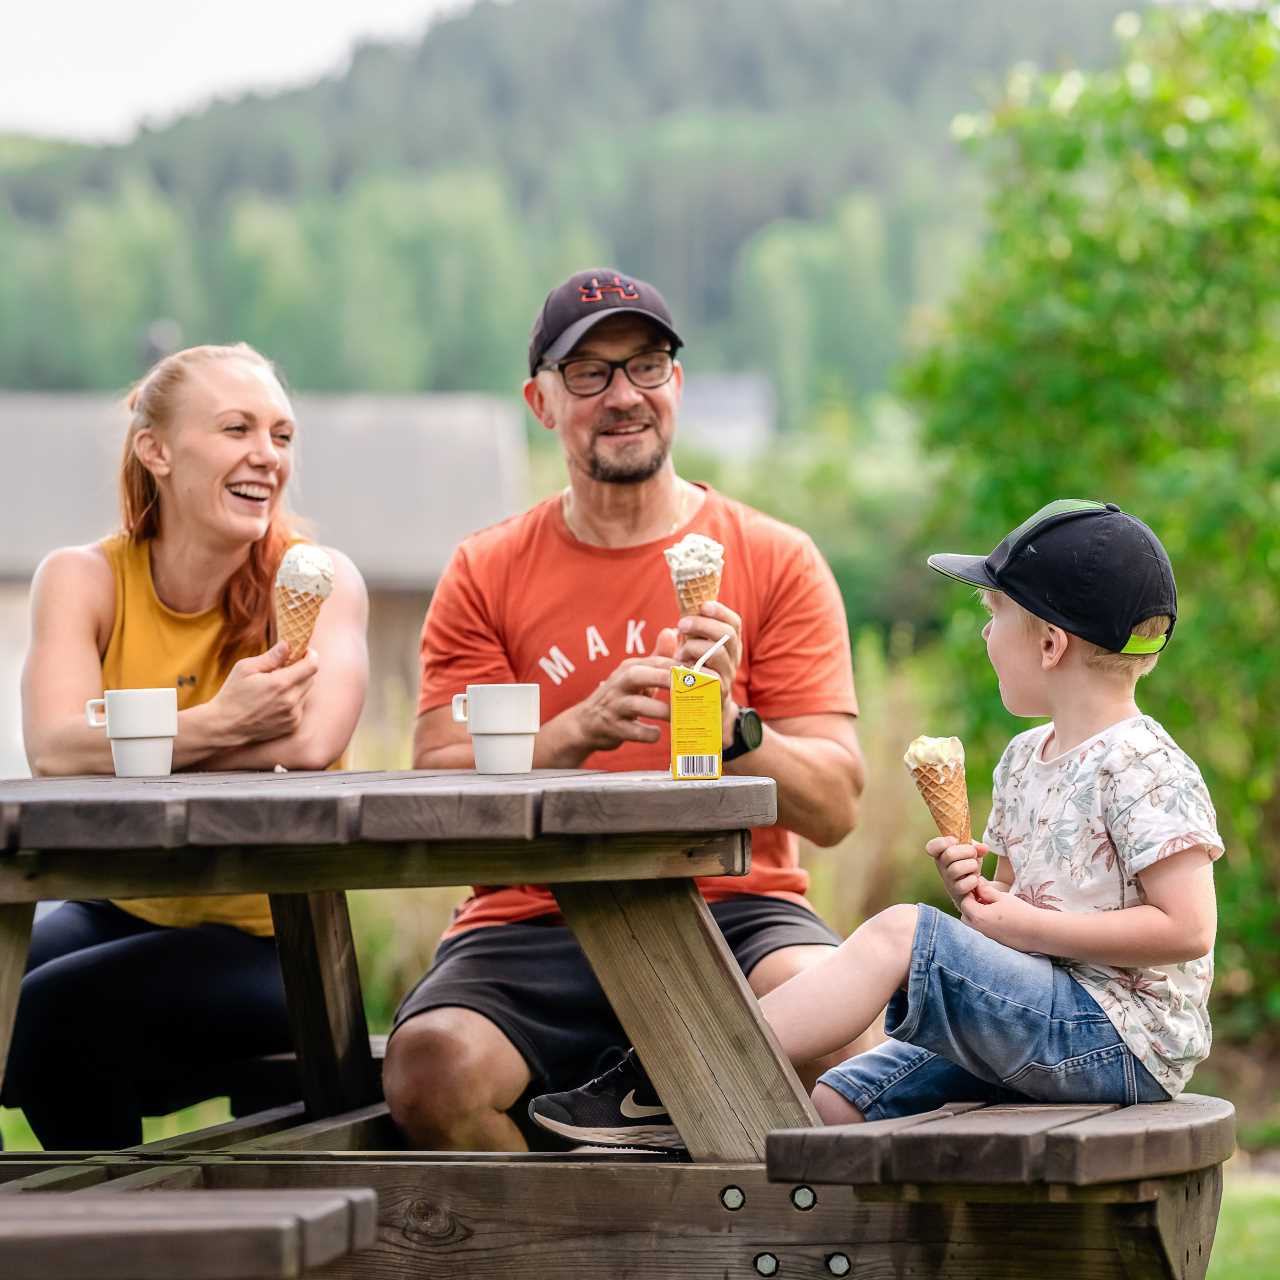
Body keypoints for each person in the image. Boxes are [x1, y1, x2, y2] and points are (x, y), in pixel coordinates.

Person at [531, 499, 1221, 1145]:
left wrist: (1018, 925)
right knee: (837, 1101)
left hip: (1123, 1044)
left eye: (995, 611)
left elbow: (1188, 929)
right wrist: (982, 898)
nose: (984, 629)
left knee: (900, 931)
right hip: (1045, 1017)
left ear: (1048, 645)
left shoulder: (1143, 765)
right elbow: (1020, 919)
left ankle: (671, 1073)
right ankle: (717, 1161)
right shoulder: (1022, 760)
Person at [383, 269, 868, 1151]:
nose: (623, 396)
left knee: (844, 1035)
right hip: (534, 916)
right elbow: (435, 782)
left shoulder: (774, 557)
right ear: (540, 401)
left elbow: (835, 805)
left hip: (736, 905)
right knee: (431, 1069)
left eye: (646, 366)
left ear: (676, 385)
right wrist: (576, 731)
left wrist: (736, 732)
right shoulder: (486, 571)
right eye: (588, 374)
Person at [9, 342, 369, 1148]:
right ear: (156, 451)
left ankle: (107, 1238)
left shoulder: (316, 579)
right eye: (237, 428)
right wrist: (222, 722)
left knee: (47, 1015)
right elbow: (55, 749)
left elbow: (309, 744)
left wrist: (131, 737)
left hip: (278, 937)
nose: (265, 457)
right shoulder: (83, 578)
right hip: (121, 906)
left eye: (281, 435)